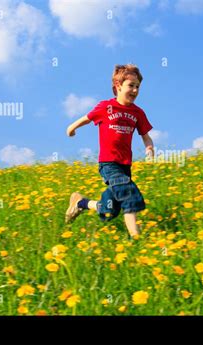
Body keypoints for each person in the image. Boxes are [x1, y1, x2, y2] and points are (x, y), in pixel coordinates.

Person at [65, 64, 154, 238]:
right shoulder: (106, 107)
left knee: (111, 209)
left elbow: (145, 135)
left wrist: (149, 148)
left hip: (125, 166)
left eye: (138, 87)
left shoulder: (138, 113)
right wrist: (72, 127)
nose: (135, 90)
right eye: (131, 85)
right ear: (118, 86)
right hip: (108, 163)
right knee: (129, 195)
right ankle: (136, 238)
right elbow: (87, 118)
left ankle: (80, 203)